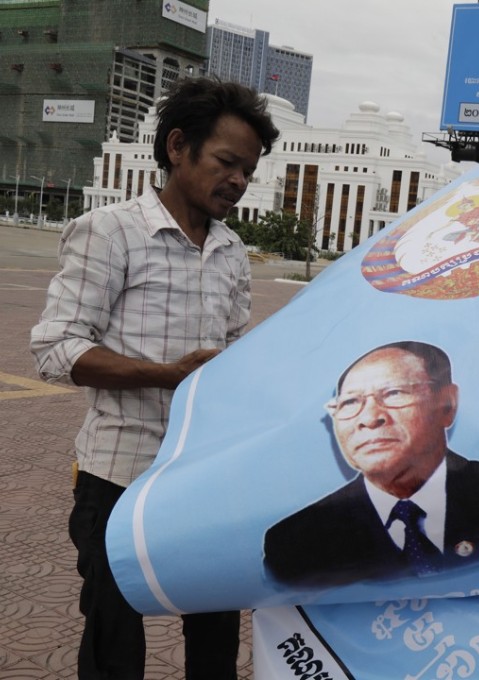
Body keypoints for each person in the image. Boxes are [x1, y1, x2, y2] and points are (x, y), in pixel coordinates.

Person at [30, 77, 279, 680]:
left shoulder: (232, 252)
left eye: (248, 171)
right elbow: (56, 349)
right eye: (227, 162)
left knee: (217, 637)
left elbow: (232, 354)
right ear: (176, 147)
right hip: (119, 479)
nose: (239, 182)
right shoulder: (110, 231)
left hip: (205, 483)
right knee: (114, 641)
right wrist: (169, 376)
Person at [263, 341, 479, 588]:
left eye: (394, 393)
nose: (370, 418)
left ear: (448, 404)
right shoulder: (297, 542)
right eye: (350, 402)